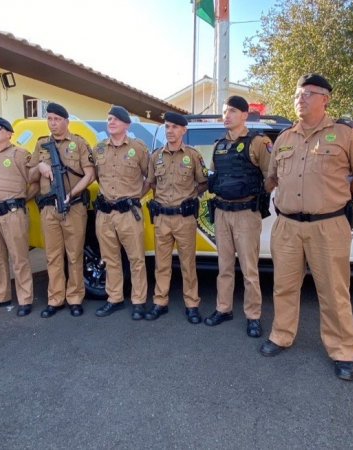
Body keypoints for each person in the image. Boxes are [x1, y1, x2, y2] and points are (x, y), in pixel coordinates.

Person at [259, 74, 353, 382]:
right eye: (298, 93)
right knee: (283, 286)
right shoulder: (284, 138)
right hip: (287, 225)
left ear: (325, 99)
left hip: (328, 226)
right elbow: (271, 178)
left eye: (309, 93)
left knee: (333, 291)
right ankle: (281, 335)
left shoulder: (344, 133)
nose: (301, 98)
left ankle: (342, 351)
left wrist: (338, 197)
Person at [204, 96, 273, 338]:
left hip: (246, 214)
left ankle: (253, 316)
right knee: (224, 267)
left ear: (245, 115)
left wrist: (254, 198)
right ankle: (223, 309)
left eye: (232, 111)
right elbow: (215, 175)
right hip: (222, 213)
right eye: (224, 111)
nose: (226, 115)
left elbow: (270, 177)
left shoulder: (258, 142)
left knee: (249, 269)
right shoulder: (219, 145)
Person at [27, 102, 95, 318]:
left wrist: (71, 194)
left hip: (73, 208)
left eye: (57, 119)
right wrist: (40, 167)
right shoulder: (41, 145)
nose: (53, 123)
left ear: (66, 122)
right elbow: (29, 177)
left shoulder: (79, 143)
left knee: (74, 255)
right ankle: (55, 299)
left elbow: (90, 174)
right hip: (48, 209)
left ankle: (74, 298)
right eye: (49, 119)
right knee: (53, 256)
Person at [145, 112, 208, 322]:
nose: (170, 131)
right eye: (167, 127)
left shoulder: (193, 155)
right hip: (162, 217)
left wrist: (190, 197)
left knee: (187, 264)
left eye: (174, 127)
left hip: (184, 218)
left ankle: (192, 304)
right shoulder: (156, 156)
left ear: (183, 130)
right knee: (161, 264)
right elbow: (152, 183)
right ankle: (160, 302)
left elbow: (203, 182)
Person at [0, 116, 38, 316]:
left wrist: (18, 201)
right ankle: (0, 296)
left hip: (12, 214)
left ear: (9, 133)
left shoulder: (20, 154)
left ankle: (25, 299)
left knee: (19, 258)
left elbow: (34, 182)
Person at [93, 106, 151, 320]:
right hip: (105, 214)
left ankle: (138, 302)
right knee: (110, 259)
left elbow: (150, 178)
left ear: (126, 124)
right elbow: (99, 178)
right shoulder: (98, 149)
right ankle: (114, 298)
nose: (111, 122)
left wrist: (135, 196)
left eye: (116, 119)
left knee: (136, 259)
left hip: (129, 214)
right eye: (109, 119)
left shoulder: (139, 148)